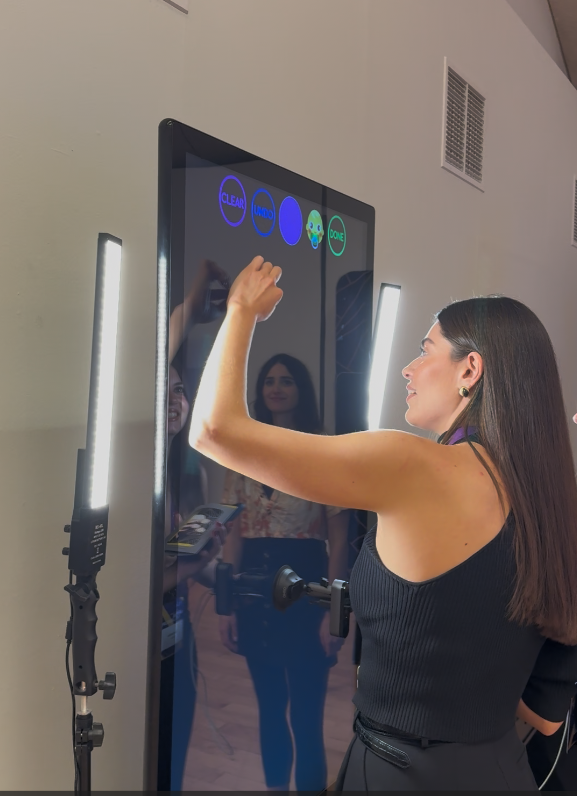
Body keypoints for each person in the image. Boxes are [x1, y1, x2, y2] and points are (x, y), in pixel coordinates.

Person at [189, 256, 577, 791]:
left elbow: (213, 430)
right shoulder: (551, 501)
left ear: (470, 371)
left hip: (401, 776)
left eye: (425, 350)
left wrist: (240, 309)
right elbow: (545, 714)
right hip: (502, 772)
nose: (407, 369)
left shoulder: (411, 465)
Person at [219, 353, 349, 792]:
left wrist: (335, 614)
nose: (276, 388)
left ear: (301, 390)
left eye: (286, 381)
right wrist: (225, 605)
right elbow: (234, 535)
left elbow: (339, 540)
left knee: (307, 718)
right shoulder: (242, 451)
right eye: (270, 381)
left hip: (307, 593)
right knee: (270, 711)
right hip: (254, 594)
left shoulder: (323, 451)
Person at [158, 258, 230, 791]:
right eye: (162, 389)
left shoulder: (186, 476)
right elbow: (138, 587)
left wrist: (209, 561)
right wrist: (197, 289)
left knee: (174, 765)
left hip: (180, 643)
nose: (174, 400)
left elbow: (189, 572)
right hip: (141, 648)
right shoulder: (133, 475)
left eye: (180, 390)